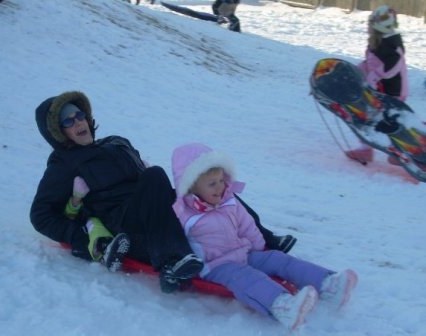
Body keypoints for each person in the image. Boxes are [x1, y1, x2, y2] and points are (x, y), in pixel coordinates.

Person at [30, 91, 295, 293]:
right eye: (68, 120)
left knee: (206, 184)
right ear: (58, 132)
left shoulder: (116, 142)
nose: (78, 121)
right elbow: (41, 215)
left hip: (153, 205)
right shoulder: (63, 163)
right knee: (155, 174)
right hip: (124, 220)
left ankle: (265, 239)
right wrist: (82, 240)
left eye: (79, 114)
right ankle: (172, 262)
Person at [170, 142, 358, 330]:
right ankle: (283, 306)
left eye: (221, 180)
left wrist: (260, 248)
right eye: (212, 184)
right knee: (247, 278)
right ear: (191, 186)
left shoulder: (229, 201)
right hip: (216, 265)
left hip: (244, 253)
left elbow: (247, 226)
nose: (219, 187)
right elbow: (173, 240)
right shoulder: (183, 214)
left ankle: (328, 284)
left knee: (277, 259)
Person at [346, 5, 408, 164]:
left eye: (370, 24)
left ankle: (401, 153)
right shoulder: (377, 42)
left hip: (393, 92)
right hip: (379, 89)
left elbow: (390, 69)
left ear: (377, 27)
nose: (367, 27)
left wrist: (373, 78)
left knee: (388, 122)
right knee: (366, 117)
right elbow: (370, 64)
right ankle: (365, 150)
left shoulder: (391, 46)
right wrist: (357, 72)